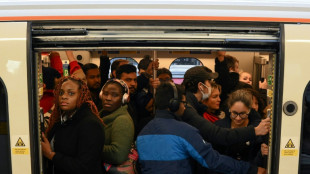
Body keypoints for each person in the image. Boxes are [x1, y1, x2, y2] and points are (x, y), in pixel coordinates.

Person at [137, 82, 266, 174]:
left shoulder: (142, 133)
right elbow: (213, 160)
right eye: (183, 103)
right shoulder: (185, 131)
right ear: (175, 105)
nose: (184, 107)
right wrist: (251, 170)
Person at [181, 66, 271, 146]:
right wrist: (254, 131)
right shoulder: (188, 109)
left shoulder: (195, 106)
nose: (210, 85)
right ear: (201, 86)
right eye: (209, 81)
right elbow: (218, 135)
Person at [41, 76, 105, 174]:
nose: (64, 96)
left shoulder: (90, 124)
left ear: (81, 96)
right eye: (61, 92)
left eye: (71, 93)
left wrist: (51, 155)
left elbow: (85, 167)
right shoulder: (61, 119)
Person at [214, 89, 264, 164]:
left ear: (249, 110)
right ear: (229, 109)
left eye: (242, 114)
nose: (238, 118)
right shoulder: (219, 127)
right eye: (234, 113)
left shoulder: (258, 129)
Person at [99, 79, 135, 167]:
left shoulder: (122, 120)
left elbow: (118, 155)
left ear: (124, 98)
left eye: (115, 95)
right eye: (105, 94)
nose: (108, 98)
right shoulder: (100, 115)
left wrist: (88, 146)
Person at [115, 64, 139, 137]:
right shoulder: (113, 102)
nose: (133, 84)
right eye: (128, 80)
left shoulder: (133, 99)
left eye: (135, 80)